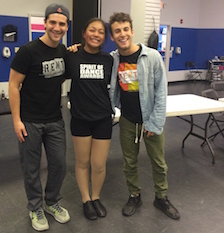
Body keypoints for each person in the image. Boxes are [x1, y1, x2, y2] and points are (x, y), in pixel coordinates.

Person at [108, 12, 180, 220]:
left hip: (150, 119)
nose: (122, 34)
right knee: (129, 162)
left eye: (125, 29)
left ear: (132, 31)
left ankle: (161, 197)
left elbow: (161, 92)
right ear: (112, 36)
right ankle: (134, 195)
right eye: (117, 31)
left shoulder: (152, 56)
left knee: (158, 162)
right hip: (128, 120)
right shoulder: (113, 59)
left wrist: (155, 123)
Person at [8, 3, 70, 231]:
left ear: (66, 26)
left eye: (61, 23)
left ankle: (52, 202)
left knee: (59, 165)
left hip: (54, 119)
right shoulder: (28, 51)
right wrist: (16, 120)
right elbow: (13, 85)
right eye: (52, 22)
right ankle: (35, 207)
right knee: (31, 168)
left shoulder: (63, 52)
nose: (57, 27)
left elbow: (58, 78)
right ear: (45, 23)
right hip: (30, 121)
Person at [66, 18, 113, 220]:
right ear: (84, 33)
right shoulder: (71, 56)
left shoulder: (109, 60)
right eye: (92, 30)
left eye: (101, 32)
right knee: (83, 162)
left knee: (99, 164)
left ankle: (96, 197)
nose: (96, 34)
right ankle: (86, 199)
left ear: (104, 37)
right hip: (80, 118)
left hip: (103, 117)